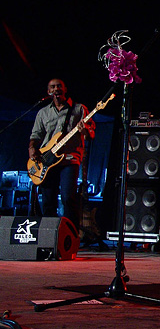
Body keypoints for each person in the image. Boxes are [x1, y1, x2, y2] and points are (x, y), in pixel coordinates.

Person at [29, 78, 96, 232]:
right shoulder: (43, 112)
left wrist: (84, 130)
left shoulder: (79, 109)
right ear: (48, 92)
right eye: (52, 87)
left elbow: (90, 134)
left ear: (65, 89)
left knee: (68, 198)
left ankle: (70, 234)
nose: (56, 88)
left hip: (70, 159)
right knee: (48, 200)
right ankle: (48, 235)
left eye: (59, 86)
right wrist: (32, 148)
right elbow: (36, 135)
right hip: (47, 160)